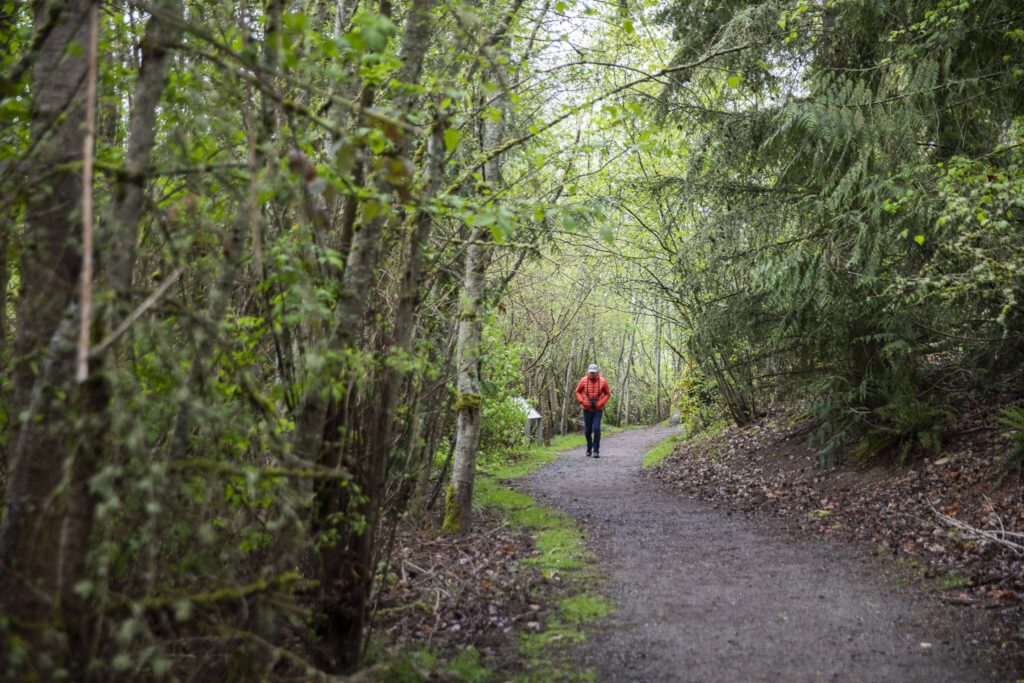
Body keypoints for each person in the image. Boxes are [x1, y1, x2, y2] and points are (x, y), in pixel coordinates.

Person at [574, 363, 610, 458]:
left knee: (596, 428)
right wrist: (582, 401)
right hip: (587, 408)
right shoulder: (583, 380)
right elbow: (577, 392)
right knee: (587, 430)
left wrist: (601, 403)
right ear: (588, 371)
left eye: (593, 372)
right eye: (590, 372)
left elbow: (607, 394)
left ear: (597, 371)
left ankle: (596, 450)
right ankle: (589, 448)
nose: (592, 374)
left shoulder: (603, 381)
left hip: (598, 408)